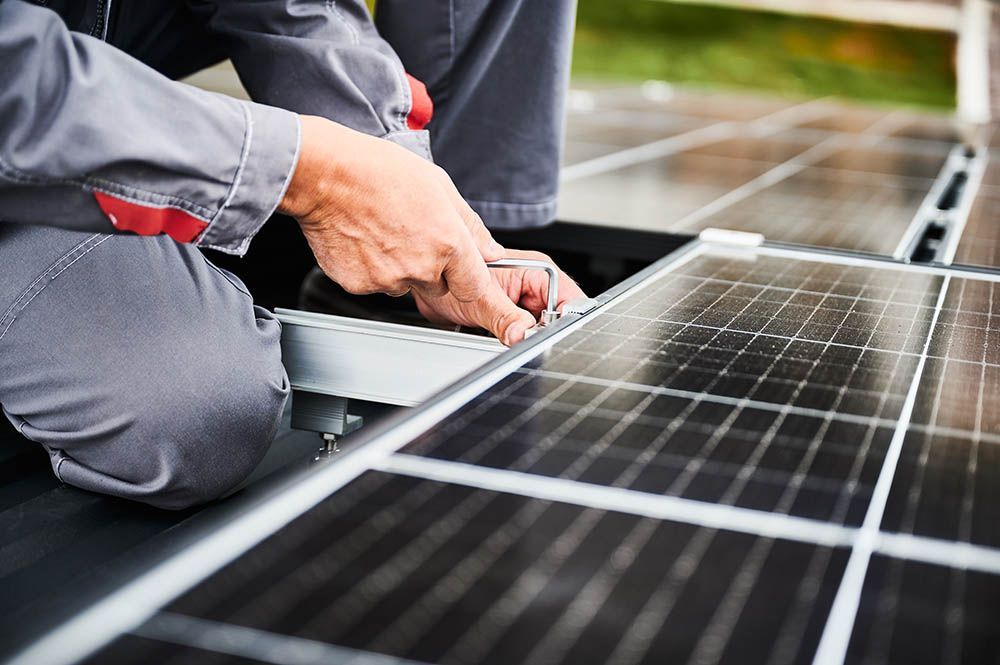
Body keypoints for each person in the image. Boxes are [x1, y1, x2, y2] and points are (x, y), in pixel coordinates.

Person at [0, 0, 582, 509]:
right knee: (193, 414)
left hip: (95, 36)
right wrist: (307, 175)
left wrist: (419, 206)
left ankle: (402, 287)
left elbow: (290, 7)